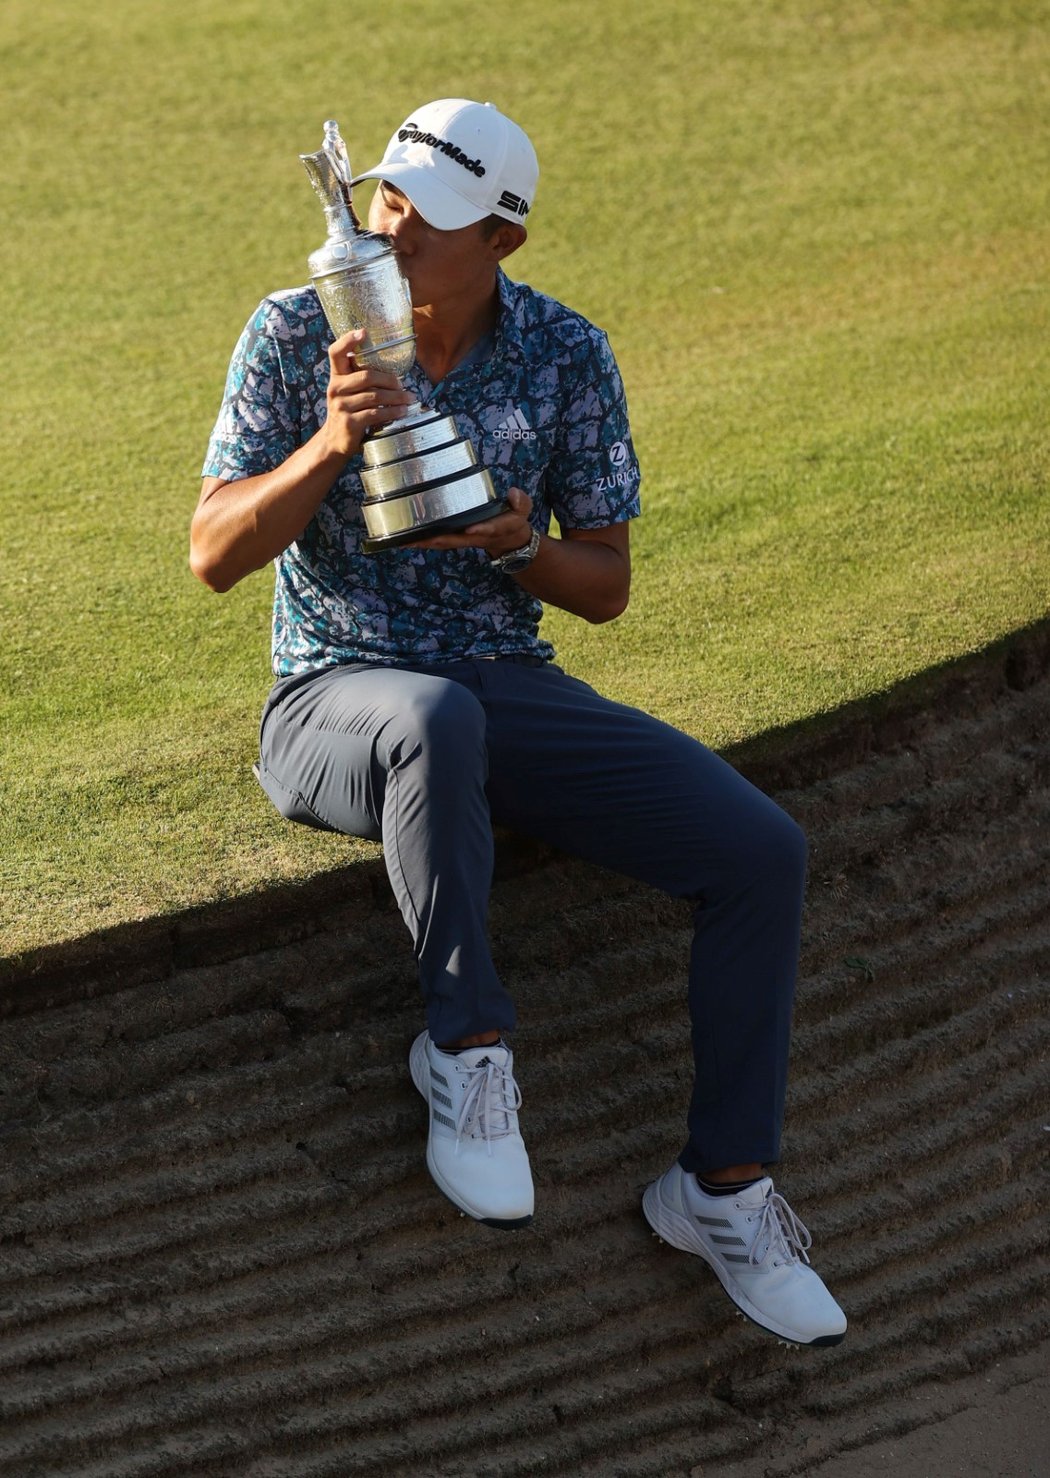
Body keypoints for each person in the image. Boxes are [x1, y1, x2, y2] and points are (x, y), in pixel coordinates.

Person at [191, 98, 846, 1347]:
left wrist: (520, 547)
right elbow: (213, 554)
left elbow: (605, 583)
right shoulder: (294, 330)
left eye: (425, 221)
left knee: (762, 849)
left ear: (502, 240)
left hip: (509, 679)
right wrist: (331, 438)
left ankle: (723, 1189)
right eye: (385, 200)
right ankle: (467, 1051)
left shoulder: (563, 352)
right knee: (432, 717)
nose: (390, 232)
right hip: (336, 693)